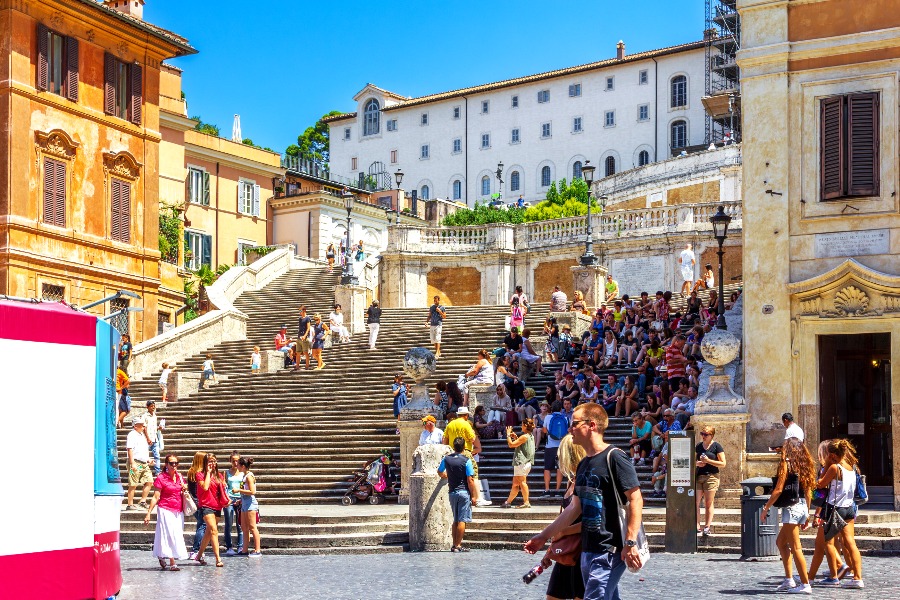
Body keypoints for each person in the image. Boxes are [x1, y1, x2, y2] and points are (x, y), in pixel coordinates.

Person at [525, 402, 644, 599]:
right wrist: (543, 536)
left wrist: (630, 542)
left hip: (609, 549)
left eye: (574, 423)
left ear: (591, 425)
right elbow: (574, 508)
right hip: (588, 549)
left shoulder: (615, 457)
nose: (570, 428)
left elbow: (636, 499)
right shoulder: (584, 464)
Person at [760, 438, 816, 594]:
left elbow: (778, 489)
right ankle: (789, 579)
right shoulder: (805, 464)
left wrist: (766, 507)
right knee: (780, 542)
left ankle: (805, 584)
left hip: (791, 508)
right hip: (802, 505)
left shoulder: (787, 463)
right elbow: (808, 491)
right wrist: (808, 512)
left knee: (796, 547)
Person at [541, 434, 587, 600]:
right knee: (553, 596)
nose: (559, 458)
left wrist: (564, 532)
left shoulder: (586, 480)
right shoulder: (571, 481)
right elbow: (562, 518)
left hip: (581, 549)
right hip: (567, 549)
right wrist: (551, 549)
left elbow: (589, 522)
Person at [816, 439, 864, 589]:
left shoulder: (835, 468)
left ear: (832, 454)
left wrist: (824, 468)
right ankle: (858, 578)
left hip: (835, 508)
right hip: (849, 507)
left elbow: (820, 484)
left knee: (828, 542)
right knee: (851, 543)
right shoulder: (851, 467)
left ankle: (833, 576)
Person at [143, 453, 189, 571]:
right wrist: (149, 513)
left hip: (178, 510)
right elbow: (155, 496)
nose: (174, 465)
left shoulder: (180, 477)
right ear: (166, 465)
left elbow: (182, 491)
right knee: (169, 534)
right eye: (171, 463)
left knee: (175, 533)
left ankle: (161, 554)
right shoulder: (161, 478)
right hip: (165, 508)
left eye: (176, 463)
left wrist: (184, 488)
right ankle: (172, 562)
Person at [442, 407, 489, 506]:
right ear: (466, 415)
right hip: (465, 451)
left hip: (451, 453)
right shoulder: (466, 424)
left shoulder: (450, 424)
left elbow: (444, 441)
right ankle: (477, 498)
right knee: (473, 474)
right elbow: (472, 438)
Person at [439, 437, 479, 552]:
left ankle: (454, 544)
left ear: (453, 446)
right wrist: (474, 496)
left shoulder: (446, 459)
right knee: (462, 520)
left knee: (455, 519)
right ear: (463, 447)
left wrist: (445, 476)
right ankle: (458, 545)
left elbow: (439, 471)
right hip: (464, 492)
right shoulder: (466, 460)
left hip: (452, 492)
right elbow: (470, 479)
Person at [195, 452, 228, 567]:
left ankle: (198, 556)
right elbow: (205, 487)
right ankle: (218, 559)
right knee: (214, 530)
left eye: (214, 461)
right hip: (206, 505)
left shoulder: (220, 475)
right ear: (205, 463)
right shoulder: (199, 474)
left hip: (217, 506)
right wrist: (208, 473)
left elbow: (221, 492)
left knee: (209, 532)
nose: (212, 463)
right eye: (210, 461)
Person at [695, 426, 726, 536]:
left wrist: (708, 461)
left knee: (708, 502)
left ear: (711, 435)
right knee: (695, 502)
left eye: (706, 434)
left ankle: (707, 526)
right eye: (702, 433)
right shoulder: (698, 446)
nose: (703, 436)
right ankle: (697, 526)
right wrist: (697, 463)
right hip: (699, 476)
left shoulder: (716, 446)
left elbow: (723, 463)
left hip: (711, 476)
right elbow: (693, 460)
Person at [501, 419, 535, 509]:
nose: (521, 426)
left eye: (522, 425)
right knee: (516, 484)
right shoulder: (530, 436)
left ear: (525, 426)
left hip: (522, 463)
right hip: (524, 463)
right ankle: (508, 502)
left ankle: (526, 502)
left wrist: (508, 434)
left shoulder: (524, 436)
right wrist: (516, 438)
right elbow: (521, 445)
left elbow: (511, 445)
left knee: (522, 482)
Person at [126, 416, 154, 510]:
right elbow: (130, 449)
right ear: (135, 426)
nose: (143, 427)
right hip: (135, 462)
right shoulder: (132, 434)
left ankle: (143, 501)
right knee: (133, 483)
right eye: (141, 425)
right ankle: (130, 504)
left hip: (143, 462)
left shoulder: (142, 435)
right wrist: (132, 462)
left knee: (149, 481)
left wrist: (148, 459)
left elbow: (142, 450)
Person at [541, 406, 570, 497]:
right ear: (561, 409)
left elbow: (544, 430)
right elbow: (568, 431)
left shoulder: (547, 417)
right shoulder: (566, 418)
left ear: (551, 410)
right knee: (559, 468)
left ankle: (547, 490)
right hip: (561, 446)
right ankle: (557, 490)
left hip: (550, 446)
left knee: (547, 468)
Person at [236, 457, 261, 556]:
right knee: (244, 527)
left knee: (252, 527)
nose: (236, 466)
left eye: (238, 464)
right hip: (244, 503)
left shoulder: (249, 476)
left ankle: (257, 549)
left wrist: (239, 491)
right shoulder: (244, 476)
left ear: (242, 466)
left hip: (250, 503)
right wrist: (240, 499)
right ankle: (244, 550)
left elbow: (252, 491)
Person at [186, 451, 207, 560]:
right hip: (200, 502)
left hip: (194, 502)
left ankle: (197, 550)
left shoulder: (191, 471)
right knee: (202, 526)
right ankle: (195, 550)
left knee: (202, 525)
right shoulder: (199, 473)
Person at [223, 451, 245, 557]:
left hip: (240, 499)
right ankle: (229, 546)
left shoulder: (242, 473)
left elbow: (243, 487)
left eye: (237, 461)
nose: (235, 463)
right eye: (233, 461)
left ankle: (240, 546)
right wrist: (228, 499)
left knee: (240, 524)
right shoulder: (226, 473)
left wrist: (241, 499)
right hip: (229, 499)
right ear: (230, 461)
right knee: (229, 523)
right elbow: (224, 488)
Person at [143, 400, 164, 476]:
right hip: (148, 439)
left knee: (157, 455)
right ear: (147, 407)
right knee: (145, 455)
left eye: (154, 406)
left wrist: (159, 427)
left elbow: (154, 427)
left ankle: (157, 471)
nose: (153, 408)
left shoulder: (155, 416)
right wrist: (148, 438)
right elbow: (144, 428)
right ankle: (144, 470)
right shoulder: (145, 416)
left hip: (155, 438)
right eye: (151, 406)